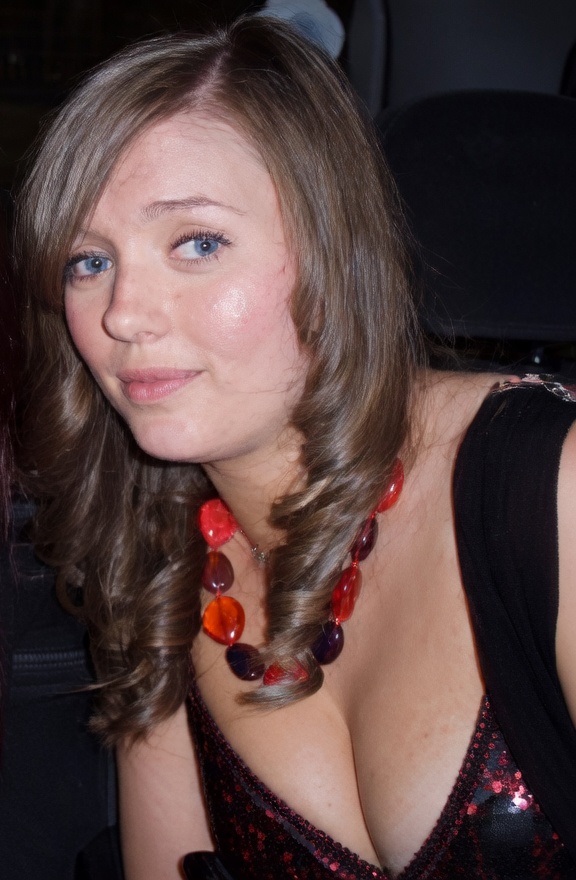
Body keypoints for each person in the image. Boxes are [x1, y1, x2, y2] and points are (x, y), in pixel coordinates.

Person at [15, 14, 576, 880]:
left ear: (332, 249)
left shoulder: (550, 490)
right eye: (87, 262)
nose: (122, 314)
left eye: (197, 243)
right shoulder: (161, 576)